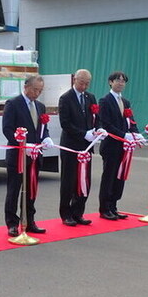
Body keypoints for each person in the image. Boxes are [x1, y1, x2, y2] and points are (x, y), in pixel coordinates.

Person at [2, 75, 54, 236]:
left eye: (40, 90)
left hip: (35, 155)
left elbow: (42, 128)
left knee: (31, 189)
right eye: (34, 89)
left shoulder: (40, 106)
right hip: (18, 155)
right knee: (14, 189)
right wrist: (22, 145)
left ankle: (30, 220)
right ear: (26, 87)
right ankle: (12, 223)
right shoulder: (13, 104)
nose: (37, 93)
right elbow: (7, 129)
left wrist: (46, 137)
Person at [98, 71, 145, 220]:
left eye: (123, 81)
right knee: (109, 177)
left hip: (124, 147)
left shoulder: (125, 102)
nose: (121, 83)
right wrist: (124, 135)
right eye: (117, 80)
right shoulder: (104, 101)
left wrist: (136, 134)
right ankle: (104, 208)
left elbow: (130, 120)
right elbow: (106, 124)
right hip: (111, 145)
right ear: (110, 82)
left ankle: (114, 206)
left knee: (120, 177)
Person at [58, 69, 100, 226]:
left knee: (84, 181)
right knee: (69, 181)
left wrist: (98, 129)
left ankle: (78, 212)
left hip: (86, 147)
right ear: (75, 79)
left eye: (87, 83)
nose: (84, 86)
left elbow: (96, 118)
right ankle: (66, 214)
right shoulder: (65, 98)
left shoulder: (90, 97)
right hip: (71, 146)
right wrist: (83, 134)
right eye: (82, 82)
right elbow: (65, 124)